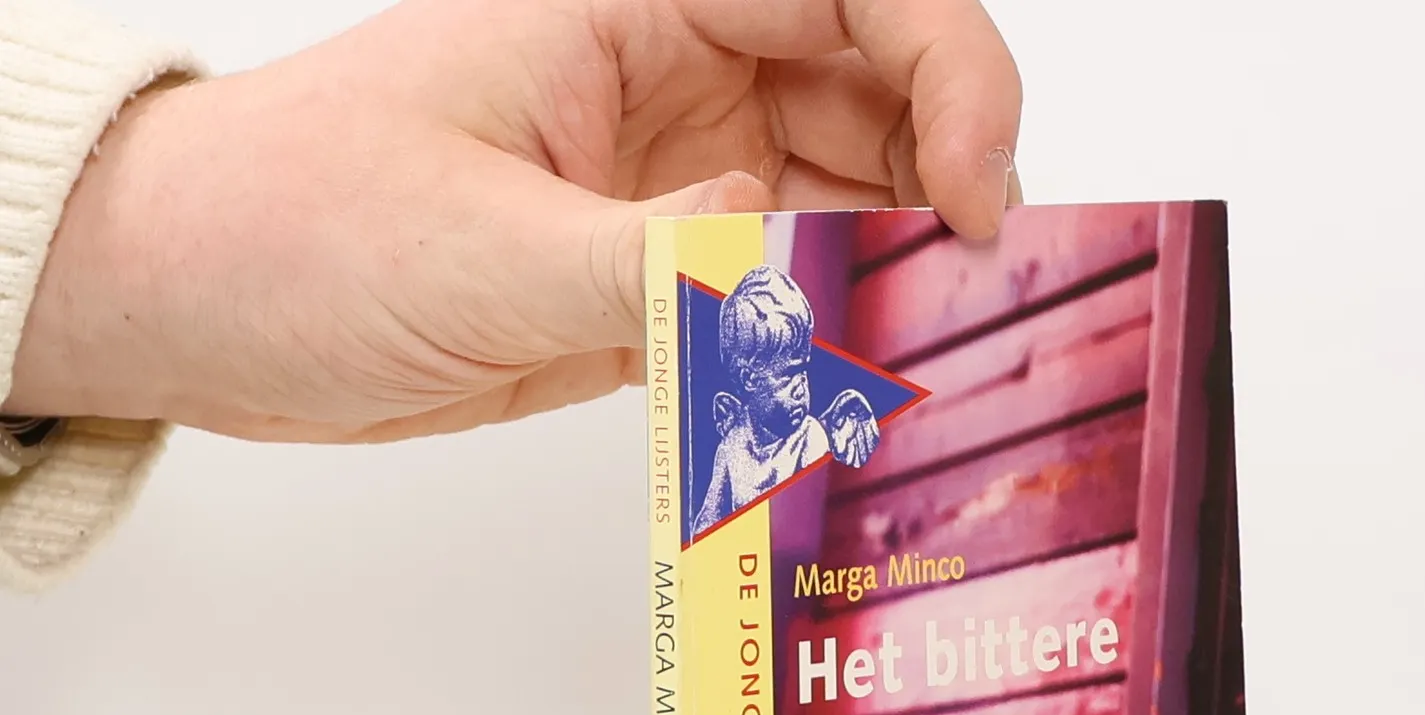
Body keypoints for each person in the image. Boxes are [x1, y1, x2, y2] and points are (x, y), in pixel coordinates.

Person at [0, 0, 1020, 593]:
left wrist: (113, 245)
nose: (786, 383)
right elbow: (754, 476)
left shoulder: (773, 414)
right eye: (770, 368)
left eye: (788, 364)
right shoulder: (732, 443)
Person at [690, 262, 878, 539]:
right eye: (789, 375)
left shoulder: (810, 439)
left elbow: (812, 527)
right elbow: (708, 518)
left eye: (804, 371)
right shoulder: (732, 446)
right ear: (750, 379)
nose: (802, 388)